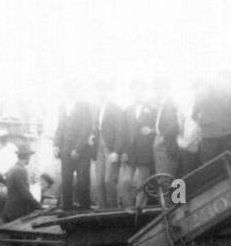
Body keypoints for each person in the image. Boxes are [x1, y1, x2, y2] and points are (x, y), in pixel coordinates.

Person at [54, 82, 95, 212]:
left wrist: (77, 148)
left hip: (82, 152)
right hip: (65, 151)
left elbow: (86, 129)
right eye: (67, 89)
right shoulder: (63, 106)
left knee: (82, 183)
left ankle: (84, 212)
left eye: (72, 88)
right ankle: (67, 212)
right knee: (66, 182)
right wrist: (55, 145)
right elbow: (60, 127)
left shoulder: (84, 106)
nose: (69, 92)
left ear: (76, 90)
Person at [122, 80, 157, 209]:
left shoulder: (152, 110)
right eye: (134, 90)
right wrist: (124, 151)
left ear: (143, 92)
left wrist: (151, 132)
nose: (137, 93)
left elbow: (157, 130)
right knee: (125, 182)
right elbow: (124, 133)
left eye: (140, 90)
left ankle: (139, 211)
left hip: (145, 152)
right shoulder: (127, 111)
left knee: (142, 184)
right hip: (130, 153)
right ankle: (127, 209)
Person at [195, 71, 231, 162]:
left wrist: (202, 124)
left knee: (211, 167)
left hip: (210, 135)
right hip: (230, 132)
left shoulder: (203, 91)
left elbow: (194, 115)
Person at [93, 81, 126, 209]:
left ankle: (112, 210)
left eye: (104, 90)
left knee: (109, 181)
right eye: (99, 90)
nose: (102, 93)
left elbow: (120, 131)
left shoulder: (116, 108)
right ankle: (102, 210)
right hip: (98, 148)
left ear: (109, 92)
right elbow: (96, 127)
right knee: (99, 182)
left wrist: (116, 152)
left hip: (110, 149)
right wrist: (92, 136)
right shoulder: (97, 108)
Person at [3, 143, 41, 223]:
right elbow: (24, 192)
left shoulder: (12, 169)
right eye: (29, 157)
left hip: (10, 210)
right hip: (17, 212)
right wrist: (37, 205)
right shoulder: (21, 170)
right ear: (27, 157)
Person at [151, 79, 182, 179]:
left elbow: (175, 125)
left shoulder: (170, 104)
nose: (158, 92)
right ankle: (166, 194)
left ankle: (169, 194)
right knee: (162, 173)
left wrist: (162, 138)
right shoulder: (161, 104)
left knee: (166, 175)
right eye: (156, 89)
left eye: (161, 89)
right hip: (161, 143)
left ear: (166, 90)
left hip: (166, 145)